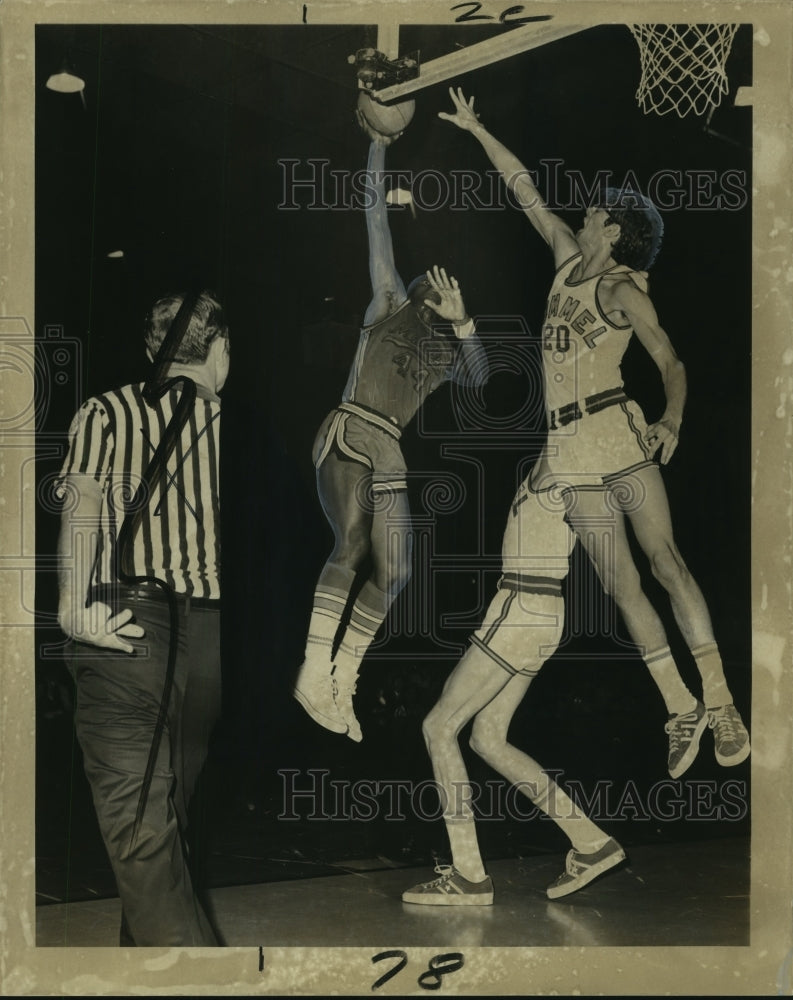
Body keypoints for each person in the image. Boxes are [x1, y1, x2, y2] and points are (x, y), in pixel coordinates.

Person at [438, 87, 749, 779]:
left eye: (597, 211)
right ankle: (679, 708)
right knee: (618, 584)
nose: (585, 211)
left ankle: (721, 700)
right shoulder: (561, 262)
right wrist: (477, 127)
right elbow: (522, 191)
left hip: (613, 429)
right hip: (566, 445)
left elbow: (669, 359)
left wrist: (671, 417)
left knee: (664, 564)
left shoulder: (622, 289)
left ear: (613, 232)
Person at [292, 108, 489, 742]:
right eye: (427, 279)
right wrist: (376, 146)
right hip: (350, 427)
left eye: (443, 285)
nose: (432, 281)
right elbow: (375, 219)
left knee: (397, 571)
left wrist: (465, 325)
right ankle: (311, 667)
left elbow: (482, 378)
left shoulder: (440, 353)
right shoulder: (387, 302)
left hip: (391, 449)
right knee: (349, 546)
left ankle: (341, 679)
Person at [56, 290, 229, 946]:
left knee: (144, 840)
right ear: (218, 350)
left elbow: (83, 501)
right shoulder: (232, 428)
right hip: (212, 641)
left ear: (154, 352)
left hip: (128, 628)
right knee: (167, 828)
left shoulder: (107, 411)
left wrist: (74, 603)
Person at [403, 477, 625, 905]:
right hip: (539, 610)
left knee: (438, 727)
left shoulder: (569, 459)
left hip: (522, 605)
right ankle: (591, 841)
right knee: (487, 738)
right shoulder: (557, 459)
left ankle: (469, 875)